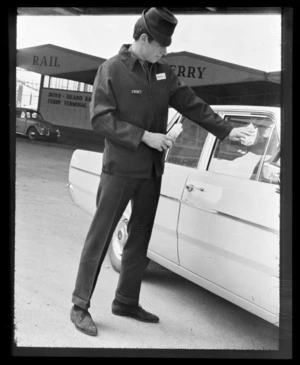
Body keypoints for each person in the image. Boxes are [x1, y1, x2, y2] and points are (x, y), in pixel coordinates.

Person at [70, 7, 255, 336]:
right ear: (143, 39)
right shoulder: (111, 70)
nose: (165, 51)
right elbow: (99, 117)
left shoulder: (162, 72)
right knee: (100, 237)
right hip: (120, 168)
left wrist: (226, 130)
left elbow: (189, 101)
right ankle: (79, 304)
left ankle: (126, 300)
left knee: (140, 237)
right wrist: (142, 136)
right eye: (161, 45)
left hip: (151, 170)